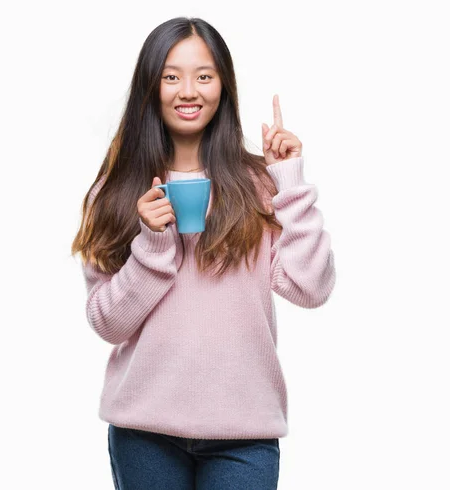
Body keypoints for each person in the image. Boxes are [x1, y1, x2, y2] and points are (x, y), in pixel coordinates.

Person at [71, 16, 336, 490]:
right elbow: (107, 323)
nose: (187, 90)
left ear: (223, 87)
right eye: (171, 76)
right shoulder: (113, 193)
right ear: (150, 87)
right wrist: (152, 243)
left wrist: (289, 179)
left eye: (204, 75)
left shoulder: (258, 185)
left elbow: (311, 287)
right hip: (144, 432)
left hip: (245, 435)